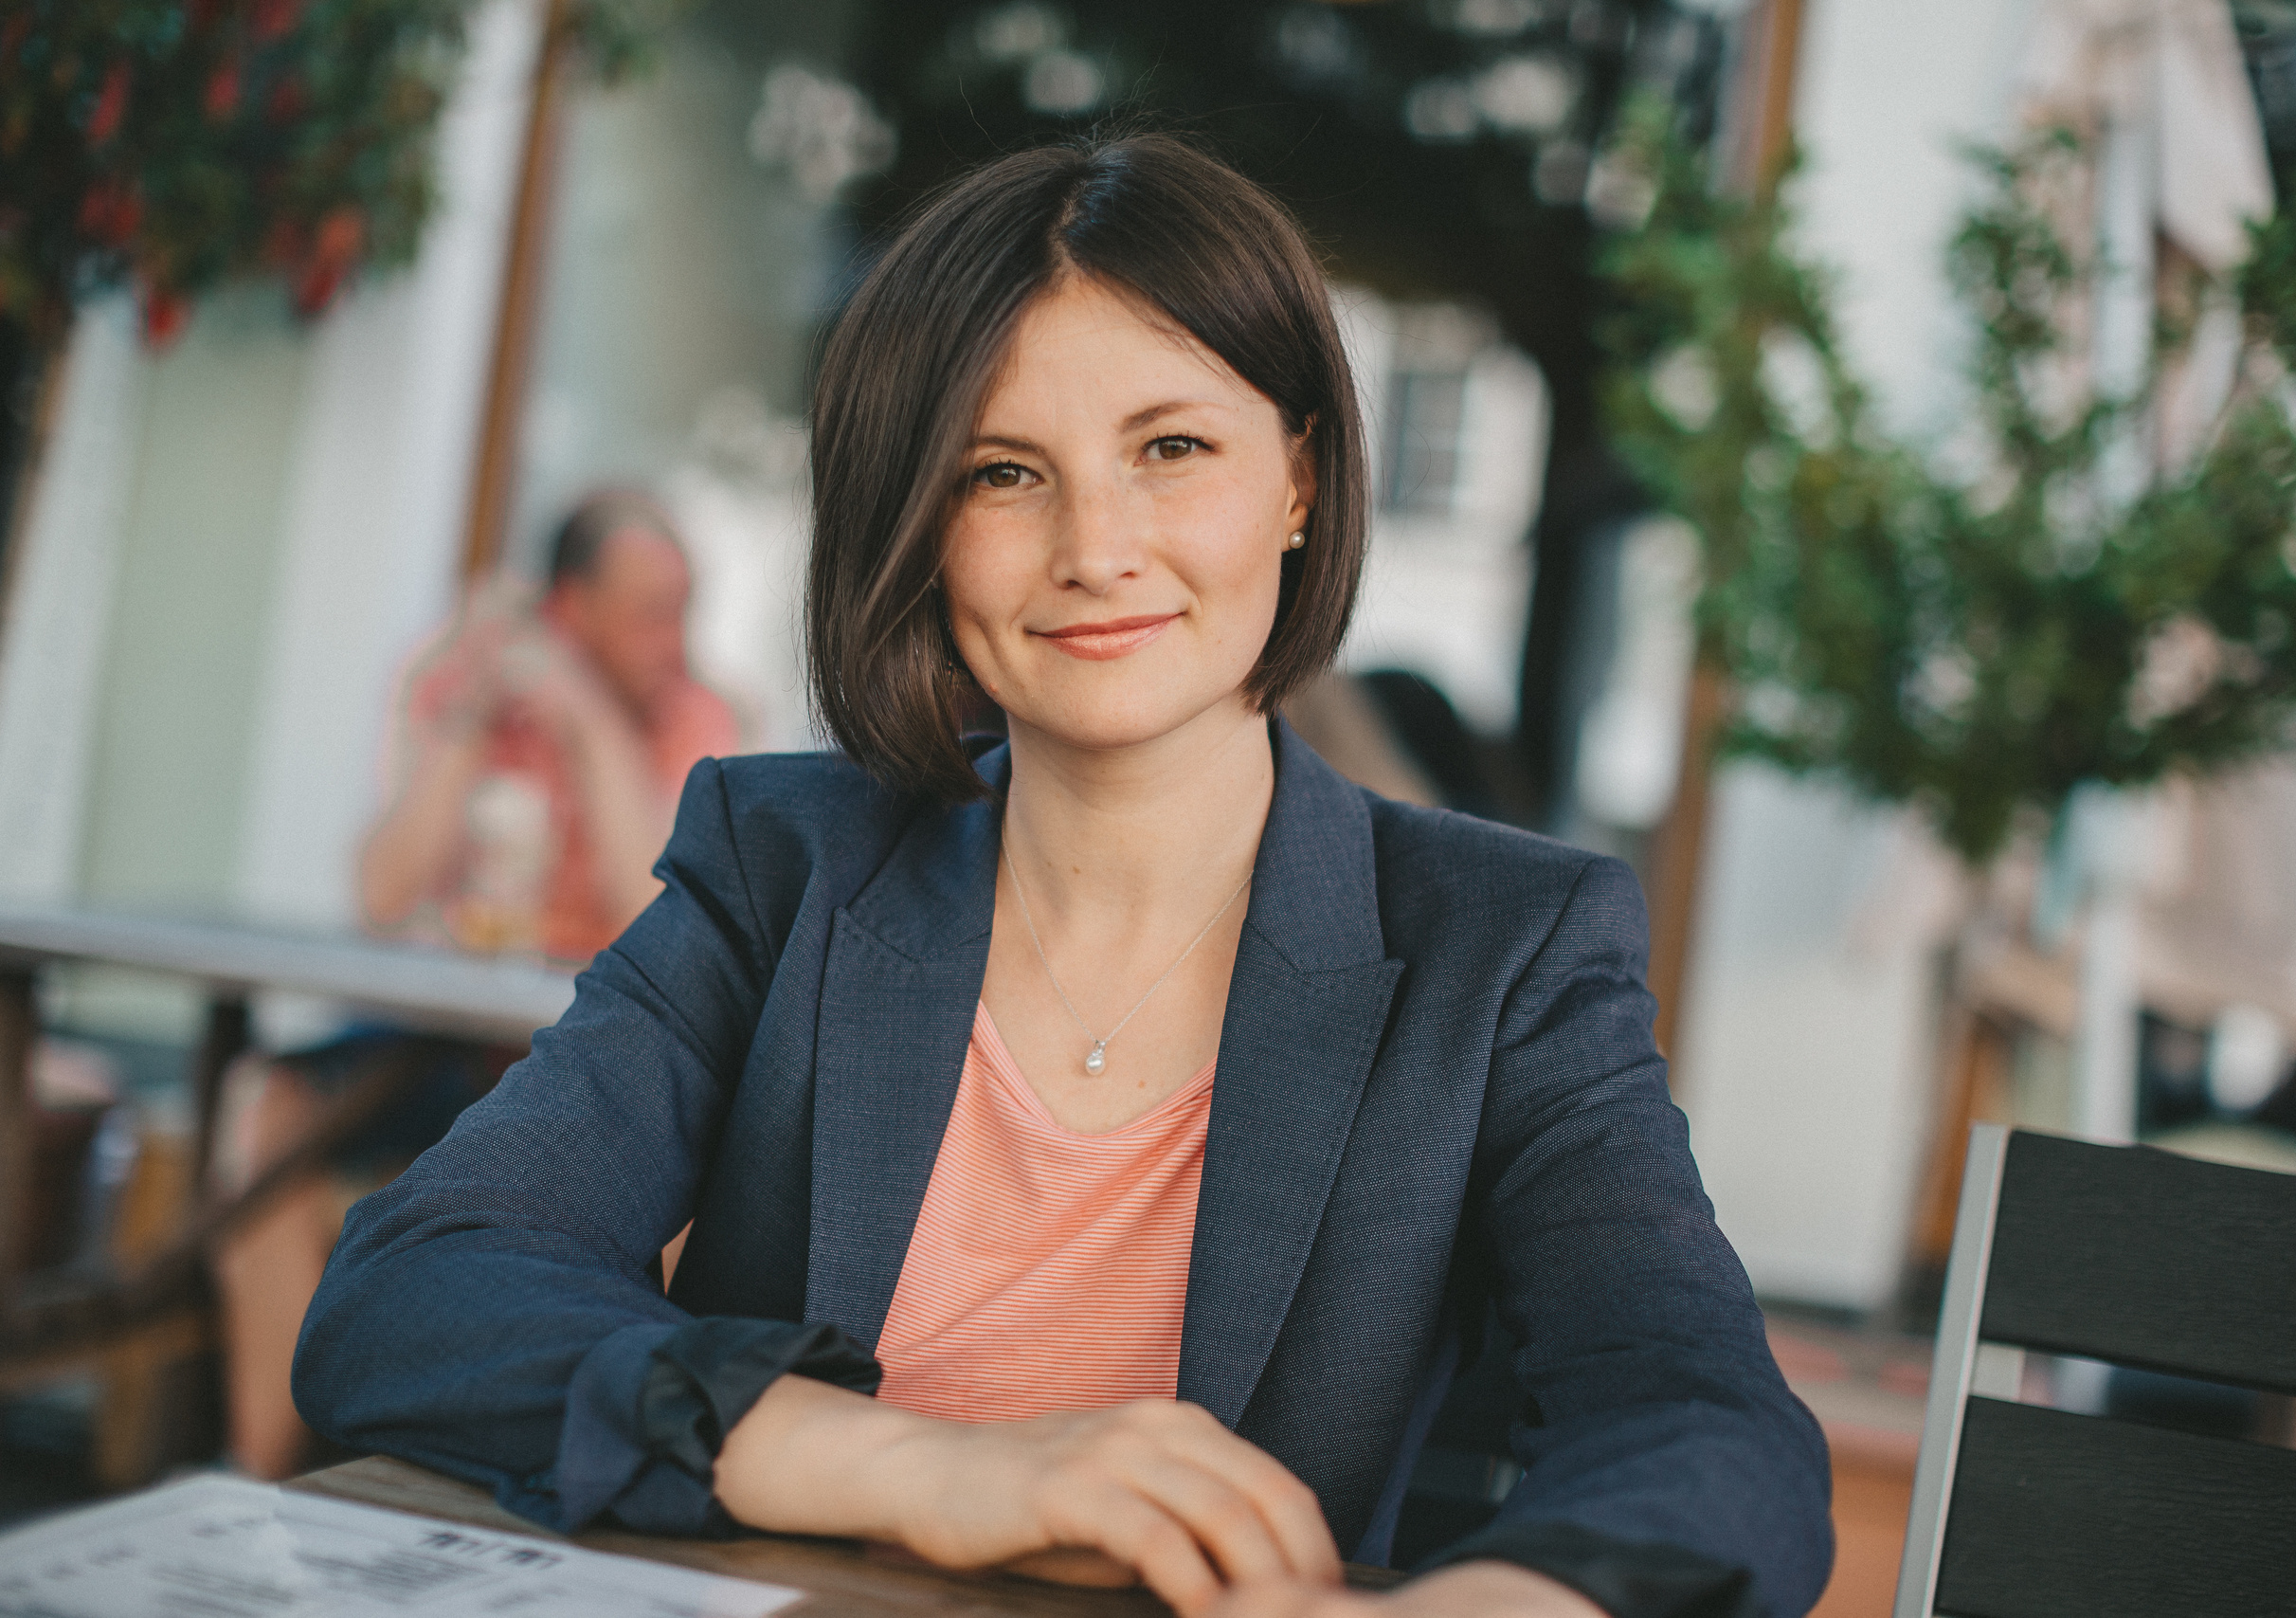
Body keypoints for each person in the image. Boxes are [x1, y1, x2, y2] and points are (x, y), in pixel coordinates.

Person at [295, 136, 1832, 1617]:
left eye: (1171, 449)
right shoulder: (786, 865)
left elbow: (1711, 1432)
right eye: (1003, 473)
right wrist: (909, 1467)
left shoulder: (1501, 951)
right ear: (923, 529)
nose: (1097, 546)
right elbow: (417, 1288)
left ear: (1297, 476)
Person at [214, 495, 737, 1481]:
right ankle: (266, 1472)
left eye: (682, 609)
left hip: (598, 1053)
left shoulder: (694, 717)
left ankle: (622, 1467)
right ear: (570, 610)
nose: (673, 640)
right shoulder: (467, 687)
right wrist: (462, 717)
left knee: (692, 1158)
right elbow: (384, 893)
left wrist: (588, 727)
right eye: (647, 612)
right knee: (268, 1108)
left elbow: (652, 911)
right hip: (450, 1042)